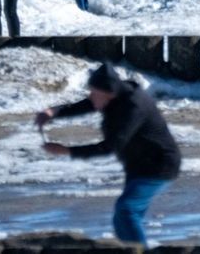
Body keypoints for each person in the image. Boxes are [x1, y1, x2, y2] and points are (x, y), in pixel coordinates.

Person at [36, 63, 182, 248]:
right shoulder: (114, 96)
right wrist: (54, 112)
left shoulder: (133, 107)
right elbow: (89, 104)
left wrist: (67, 150)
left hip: (159, 165)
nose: (90, 97)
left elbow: (109, 147)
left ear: (108, 92)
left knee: (126, 211)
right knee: (122, 220)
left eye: (93, 92)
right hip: (138, 165)